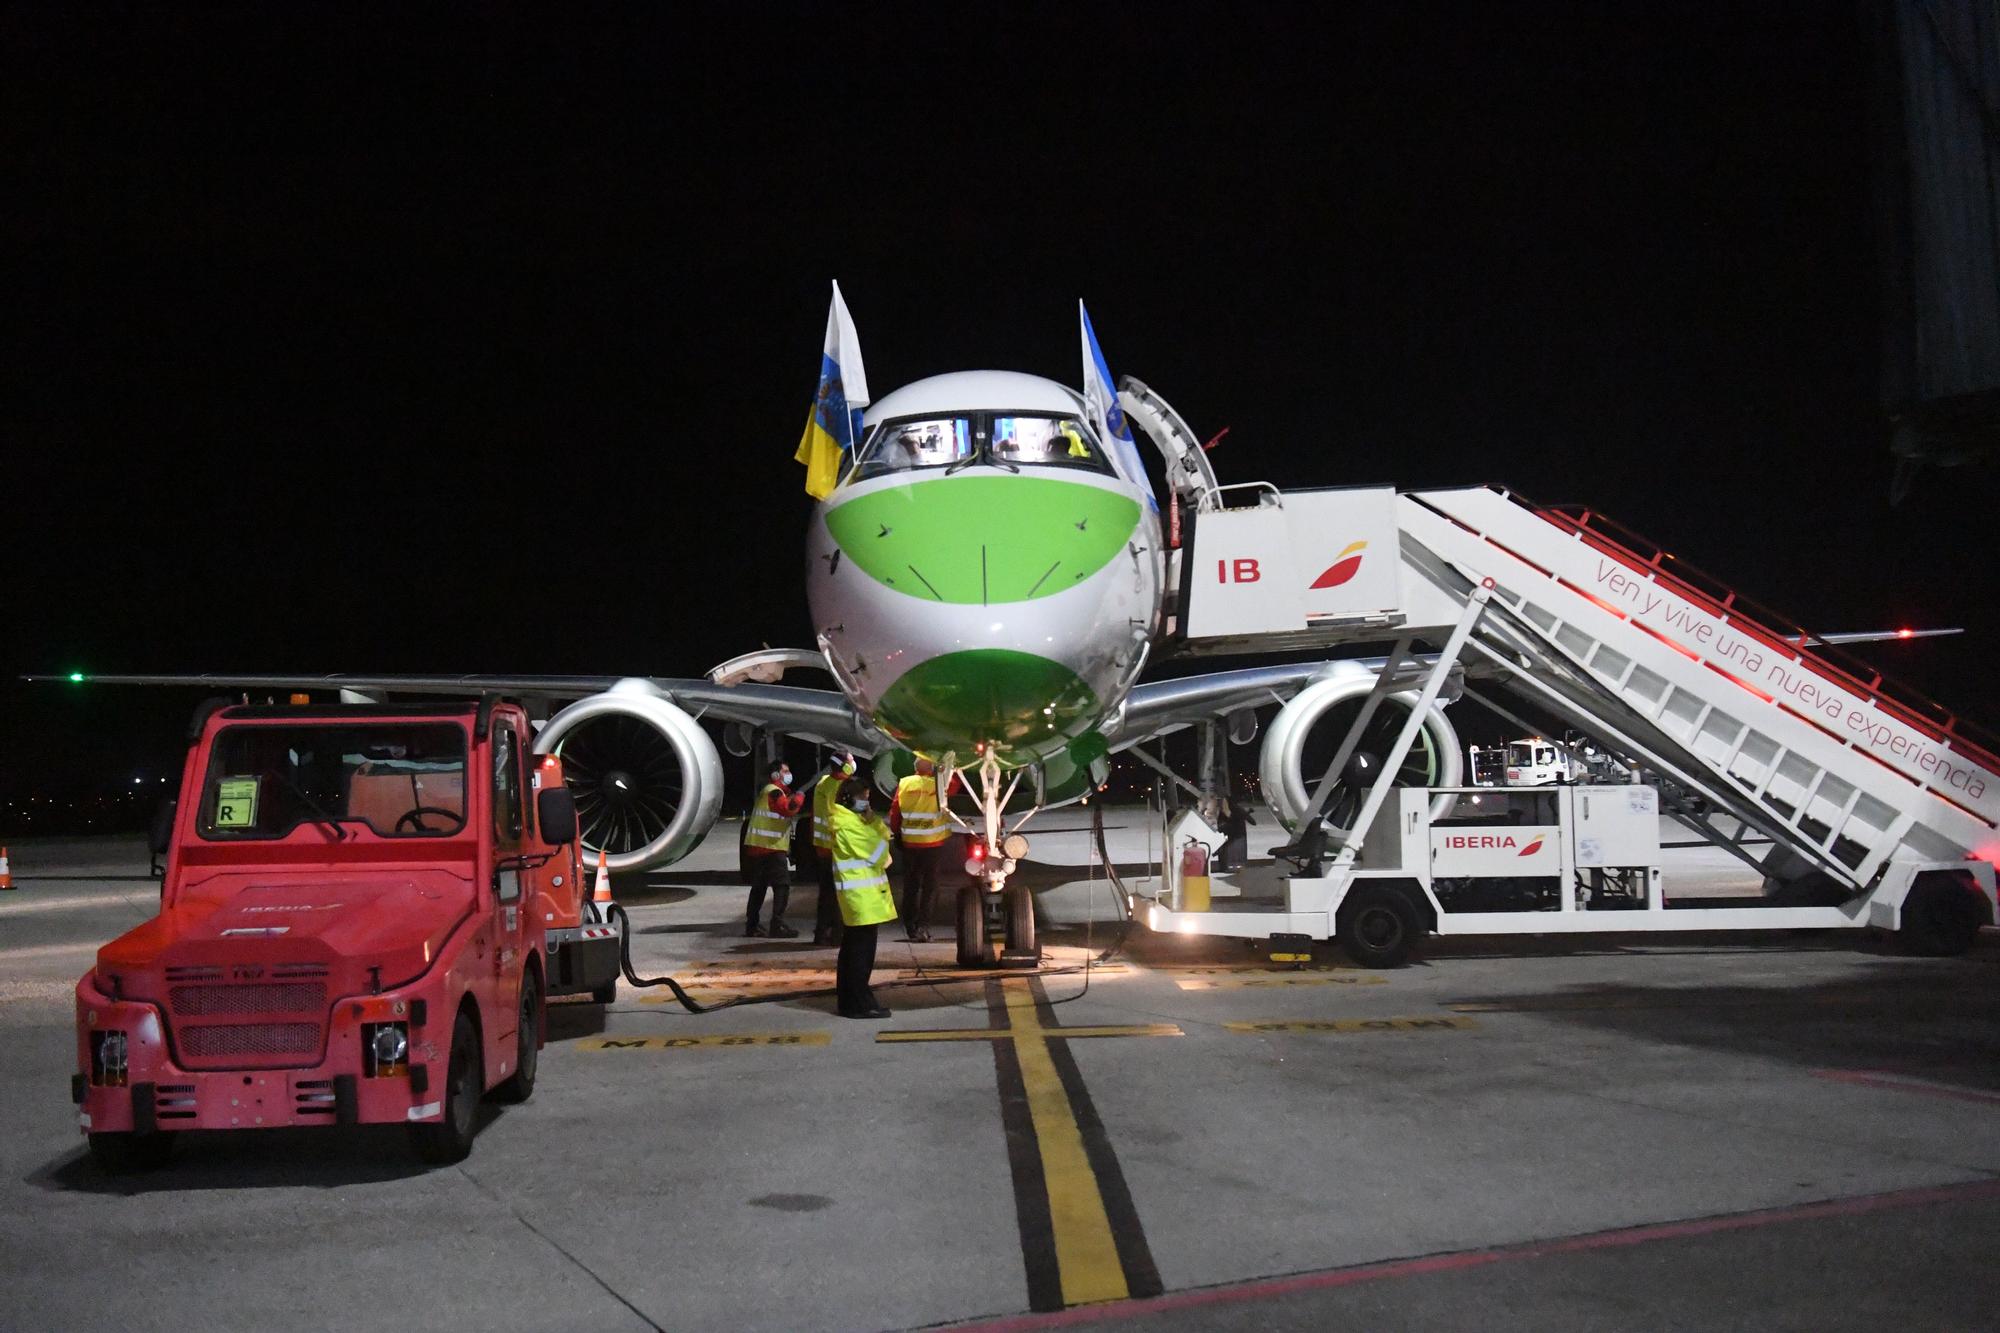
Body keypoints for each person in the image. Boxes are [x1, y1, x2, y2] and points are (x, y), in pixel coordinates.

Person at [827, 783, 897, 1018]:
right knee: (860, 955)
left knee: (852, 951)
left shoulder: (853, 822)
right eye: (862, 797)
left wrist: (872, 821)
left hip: (862, 898)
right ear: (847, 799)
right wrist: (876, 830)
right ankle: (860, 1003)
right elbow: (881, 854)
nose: (866, 802)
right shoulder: (849, 826)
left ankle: (849, 1001)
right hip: (862, 899)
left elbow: (884, 836)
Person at [889, 757, 953, 942]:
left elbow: (895, 811)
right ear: (931, 768)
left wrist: (898, 832)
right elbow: (954, 785)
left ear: (915, 768)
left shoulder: (905, 783)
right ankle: (924, 927)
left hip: (910, 843)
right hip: (932, 844)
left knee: (911, 887)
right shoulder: (937, 785)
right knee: (930, 888)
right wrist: (949, 764)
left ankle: (910, 926)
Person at [742, 759, 804, 937]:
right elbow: (788, 809)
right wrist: (799, 797)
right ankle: (777, 925)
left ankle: (752, 925)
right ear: (776, 775)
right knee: (782, 886)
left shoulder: (769, 791)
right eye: (785, 771)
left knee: (759, 887)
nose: (788, 774)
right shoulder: (774, 792)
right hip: (770, 848)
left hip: (760, 846)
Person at [810, 753, 857, 945]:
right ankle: (838, 935)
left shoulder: (822, 783)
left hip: (822, 847)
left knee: (826, 893)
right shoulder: (843, 788)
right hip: (838, 848)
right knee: (840, 895)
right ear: (845, 767)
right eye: (850, 761)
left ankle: (821, 933)